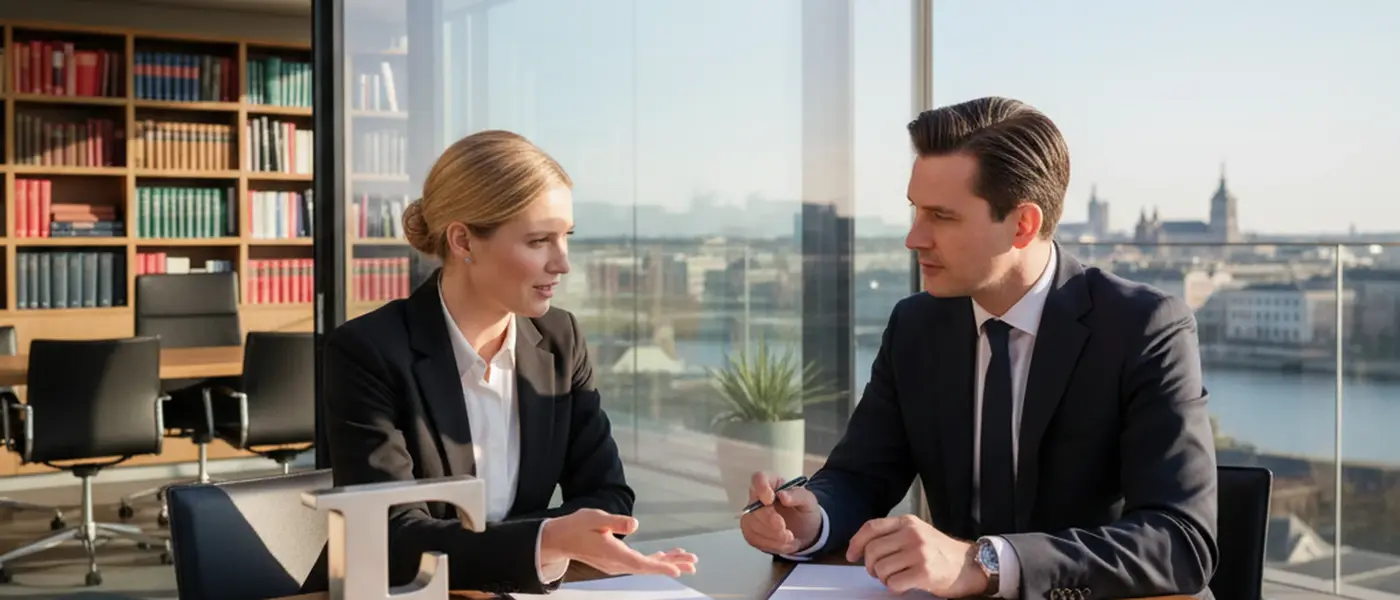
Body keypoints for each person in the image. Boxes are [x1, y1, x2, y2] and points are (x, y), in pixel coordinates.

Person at [739, 97, 1218, 599]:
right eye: (915, 210)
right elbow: (861, 475)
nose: (914, 238)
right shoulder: (916, 326)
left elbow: (1180, 541)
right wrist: (812, 519)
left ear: (1022, 225)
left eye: (941, 217)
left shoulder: (1143, 327)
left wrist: (986, 563)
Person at [300, 130, 697, 595]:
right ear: (463, 240)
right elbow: (391, 535)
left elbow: (607, 495)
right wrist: (544, 540)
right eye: (539, 240)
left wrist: (533, 546)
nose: (562, 263)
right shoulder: (368, 351)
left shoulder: (560, 339)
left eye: (566, 237)